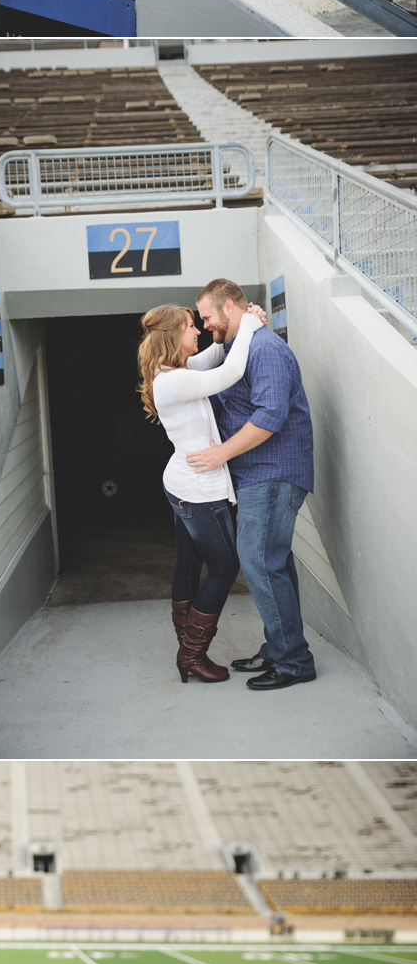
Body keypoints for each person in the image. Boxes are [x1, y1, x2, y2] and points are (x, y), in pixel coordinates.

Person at [191, 279, 317, 689]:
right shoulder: (240, 345)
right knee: (273, 562)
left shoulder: (264, 349)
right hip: (258, 475)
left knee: (261, 561)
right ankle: (280, 649)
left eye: (208, 317)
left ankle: (294, 662)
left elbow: (270, 416)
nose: (206, 325)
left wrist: (220, 453)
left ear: (229, 308)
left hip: (273, 473)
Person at [137, 298, 265, 682]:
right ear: (175, 334)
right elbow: (230, 372)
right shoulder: (174, 379)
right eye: (191, 326)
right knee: (225, 567)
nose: (197, 331)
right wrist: (249, 328)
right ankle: (192, 654)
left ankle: (187, 647)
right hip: (197, 489)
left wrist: (233, 331)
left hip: (183, 483)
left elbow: (213, 358)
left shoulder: (171, 371)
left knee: (188, 565)